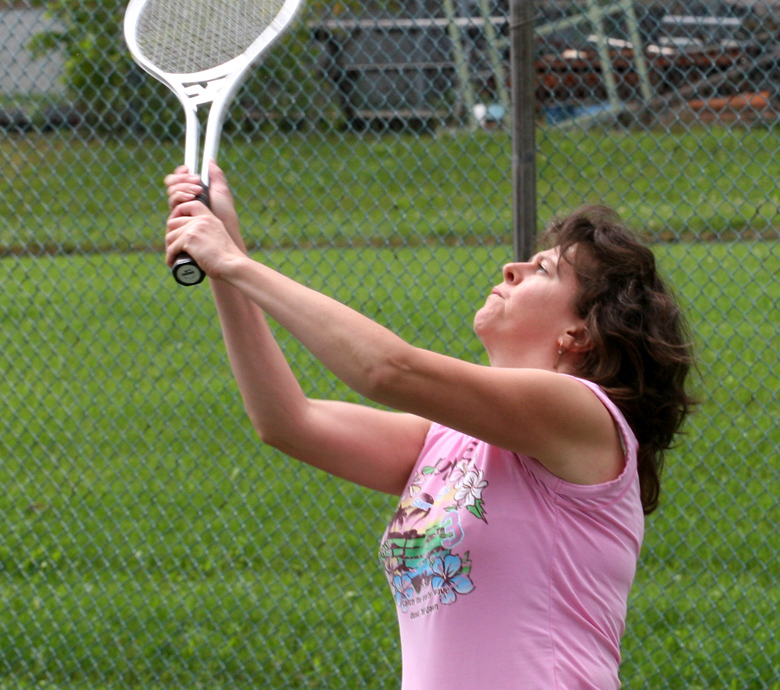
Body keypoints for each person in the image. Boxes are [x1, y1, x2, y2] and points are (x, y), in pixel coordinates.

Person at [164, 162, 695, 690]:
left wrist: (235, 262)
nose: (512, 268)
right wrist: (226, 256)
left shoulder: (582, 414)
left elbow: (386, 369)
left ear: (580, 333)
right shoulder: (447, 441)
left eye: (543, 270)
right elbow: (287, 420)